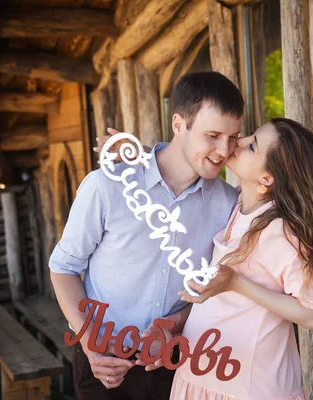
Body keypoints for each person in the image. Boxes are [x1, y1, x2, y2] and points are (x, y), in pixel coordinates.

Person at [49, 71, 244, 400]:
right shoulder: (107, 185)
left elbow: (219, 288)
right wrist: (88, 340)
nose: (224, 150)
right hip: (103, 360)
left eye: (233, 137)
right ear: (179, 124)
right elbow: (64, 268)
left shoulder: (227, 204)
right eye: (212, 135)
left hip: (178, 362)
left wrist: (176, 324)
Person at [170, 118, 313, 400]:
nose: (240, 141)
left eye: (253, 145)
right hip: (204, 376)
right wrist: (141, 157)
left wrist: (237, 283)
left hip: (245, 387)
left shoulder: (278, 231)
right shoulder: (237, 206)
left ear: (267, 178)